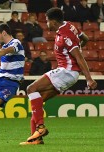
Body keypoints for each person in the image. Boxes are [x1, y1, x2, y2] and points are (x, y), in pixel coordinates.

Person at [19, 7, 97, 145]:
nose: (46, 24)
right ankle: (36, 139)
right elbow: (85, 38)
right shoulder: (69, 26)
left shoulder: (64, 35)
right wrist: (80, 46)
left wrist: (89, 78)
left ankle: (41, 128)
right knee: (37, 103)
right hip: (70, 74)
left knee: (31, 89)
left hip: (66, 71)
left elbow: (79, 58)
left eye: (47, 21)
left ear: (53, 22)